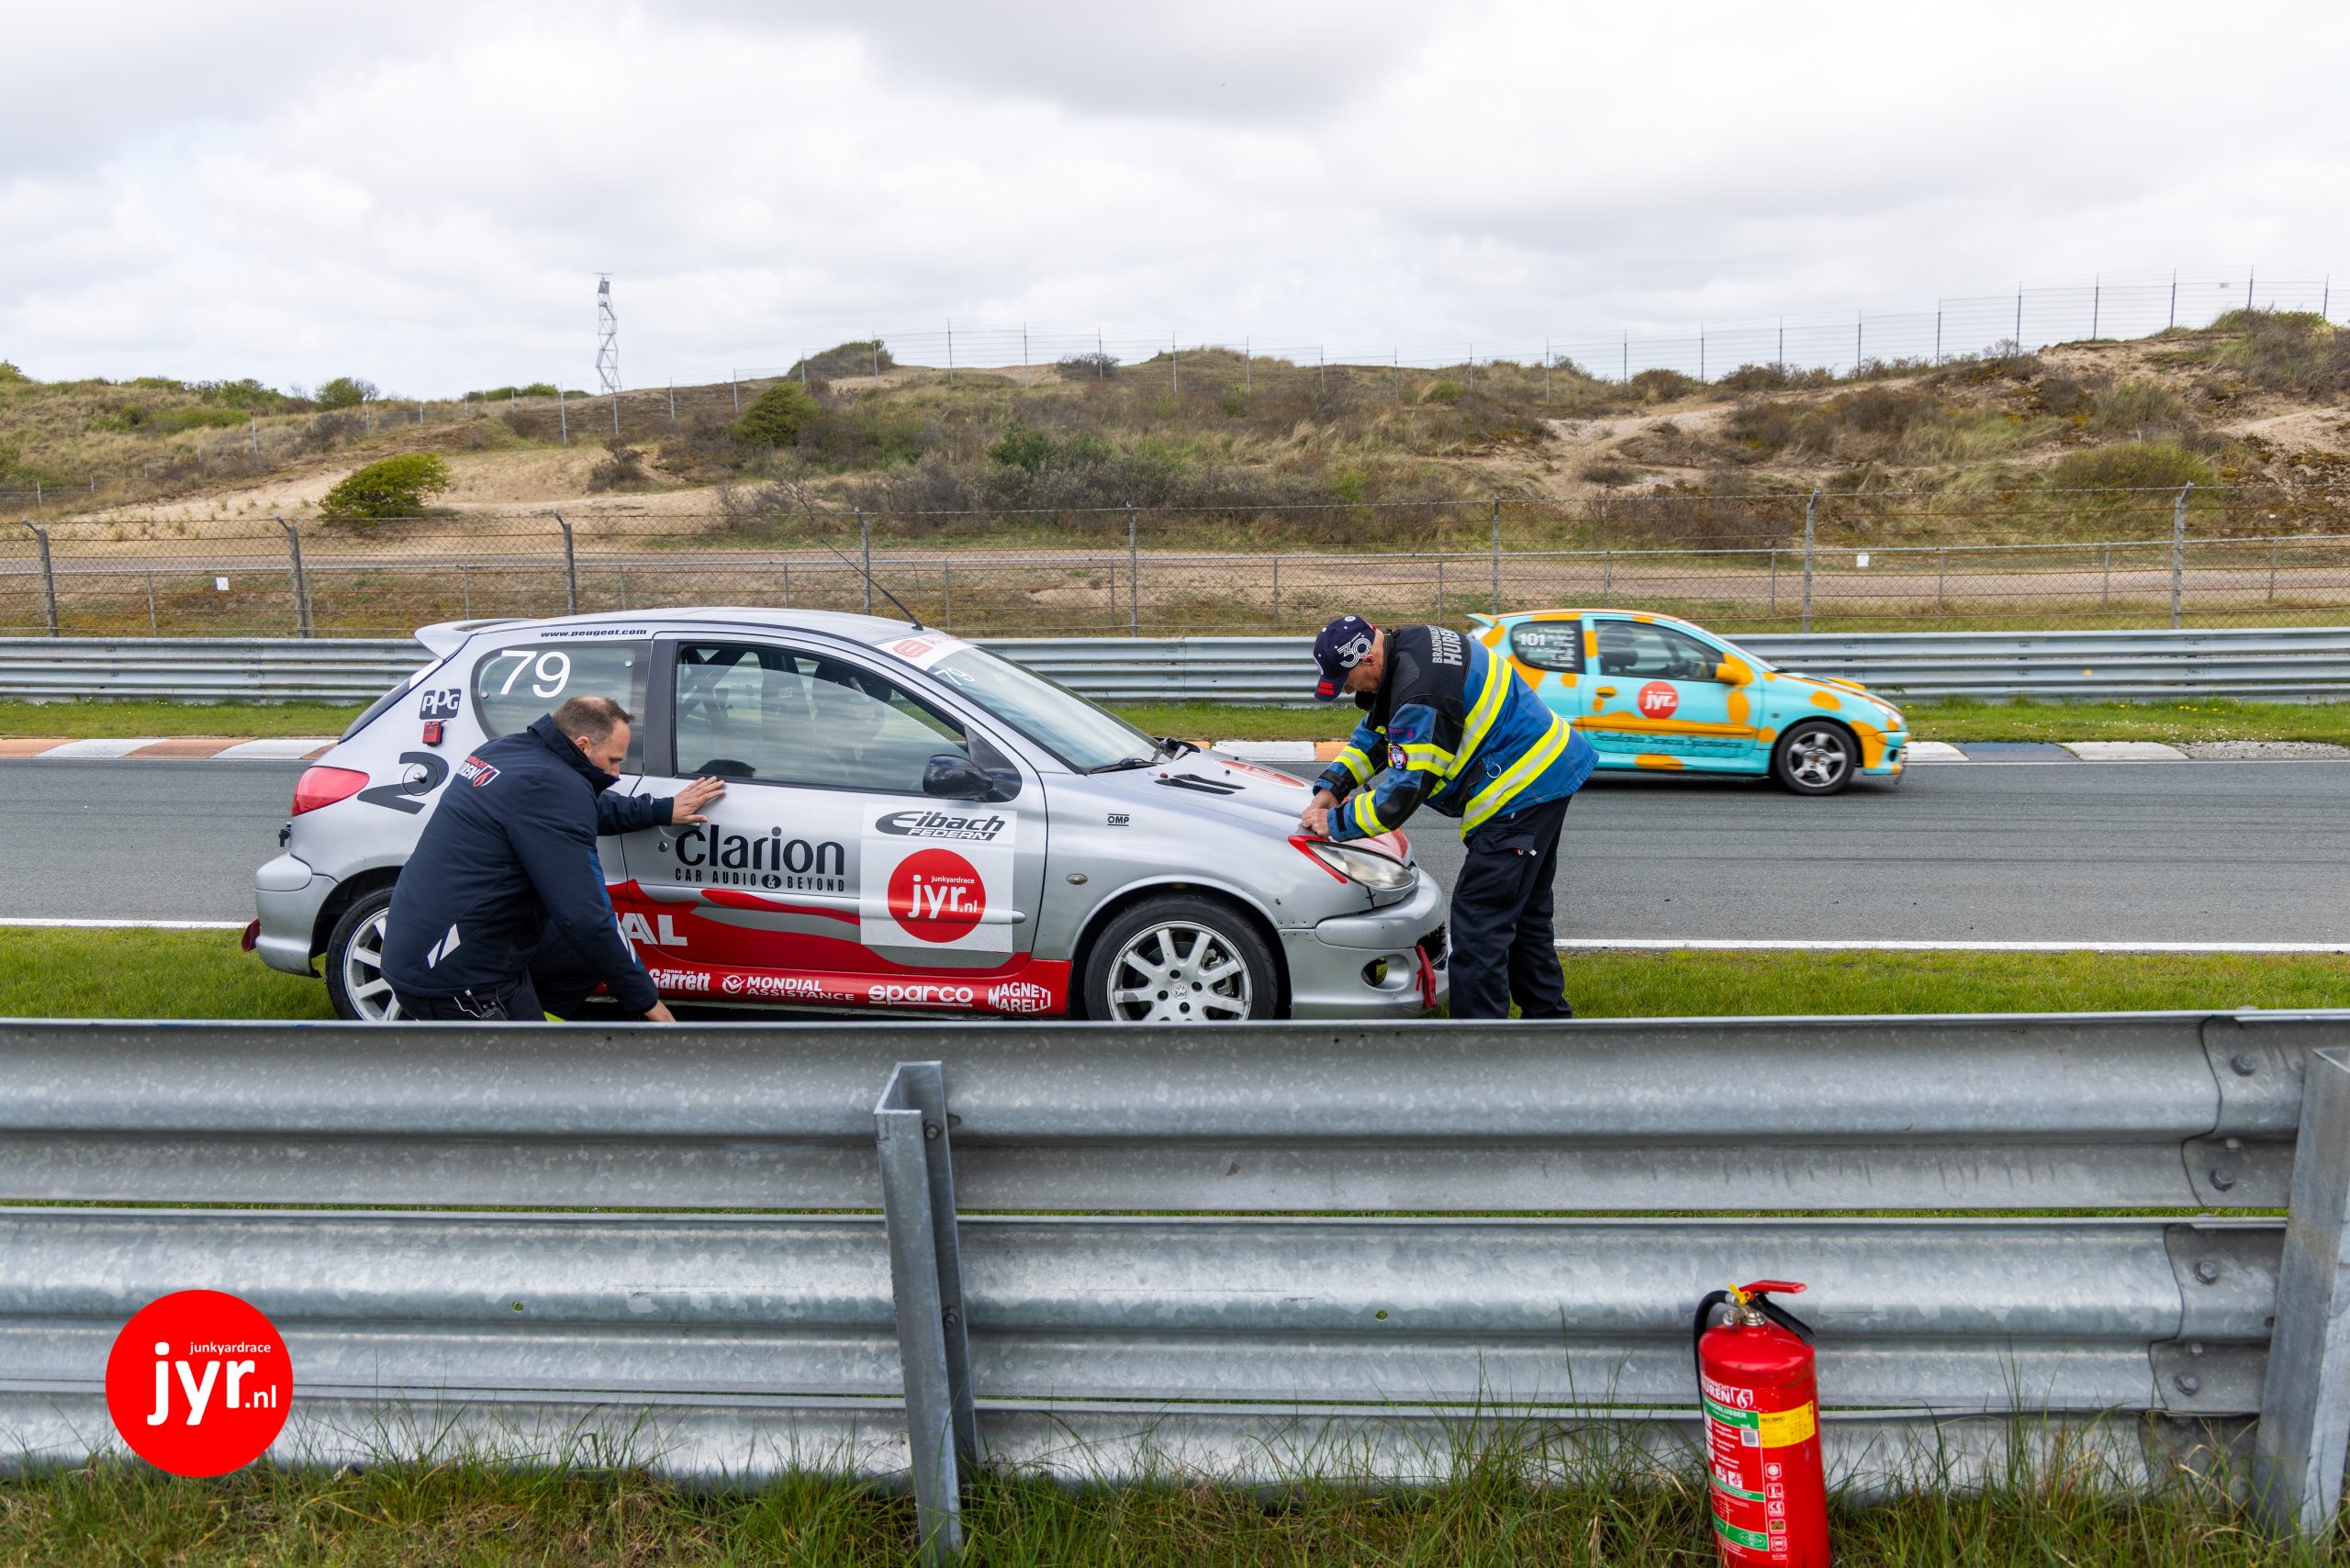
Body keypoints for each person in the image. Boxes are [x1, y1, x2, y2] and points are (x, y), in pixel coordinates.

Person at [1300, 614, 1598, 1020]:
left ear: (1368, 658)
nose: (1347, 690)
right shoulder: (1409, 648)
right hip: (1547, 769)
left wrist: (1334, 823)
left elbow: (1400, 796)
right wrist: (1330, 788)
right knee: (1525, 914)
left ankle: (1476, 1042)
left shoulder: (1421, 694)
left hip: (1520, 789)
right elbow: (1376, 733)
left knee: (1480, 923)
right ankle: (1548, 1023)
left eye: (1347, 680)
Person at [383, 695, 723, 1021]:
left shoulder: (505, 751)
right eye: (613, 760)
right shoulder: (551, 787)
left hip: (421, 938)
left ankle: (538, 1023)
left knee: (578, 957)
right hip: (454, 977)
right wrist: (647, 1001)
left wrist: (659, 810)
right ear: (583, 745)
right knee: (533, 1063)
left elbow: (577, 806)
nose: (617, 773)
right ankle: (530, 1036)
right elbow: (587, 917)